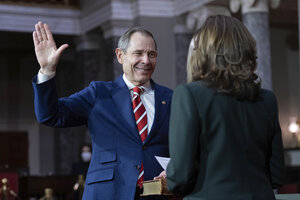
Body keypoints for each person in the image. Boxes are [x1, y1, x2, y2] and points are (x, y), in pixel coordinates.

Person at [32, 21, 173, 200]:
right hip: (107, 193)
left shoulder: (170, 99)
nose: (145, 61)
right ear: (120, 56)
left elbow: (185, 149)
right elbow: (50, 115)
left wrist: (174, 171)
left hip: (156, 194)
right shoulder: (98, 93)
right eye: (138, 53)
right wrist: (47, 71)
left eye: (151, 54)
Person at [166, 15, 285, 200]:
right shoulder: (268, 99)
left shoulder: (189, 94)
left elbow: (179, 177)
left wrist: (171, 176)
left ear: (204, 50)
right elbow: (277, 174)